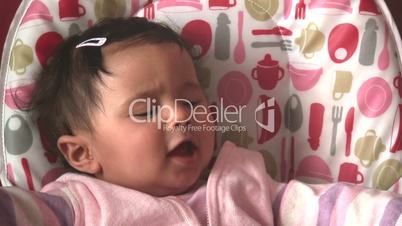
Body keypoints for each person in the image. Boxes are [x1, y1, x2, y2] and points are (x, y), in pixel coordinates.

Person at [1, 17, 401, 225]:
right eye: (145, 109)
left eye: (192, 101)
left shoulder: (245, 183)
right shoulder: (78, 207)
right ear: (83, 153)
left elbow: (330, 210)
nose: (180, 114)